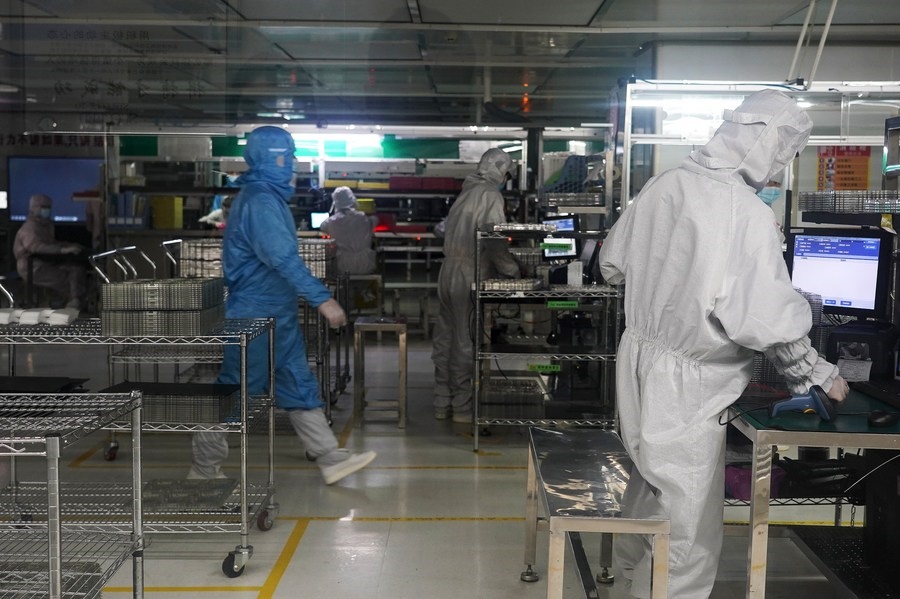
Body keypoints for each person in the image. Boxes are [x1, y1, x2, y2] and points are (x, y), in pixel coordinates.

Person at [597, 89, 849, 598]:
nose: (780, 166)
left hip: (640, 358)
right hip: (690, 380)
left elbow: (612, 264)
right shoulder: (743, 213)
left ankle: (625, 585)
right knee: (686, 524)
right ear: (767, 144)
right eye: (784, 152)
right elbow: (766, 316)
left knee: (649, 488)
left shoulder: (665, 184)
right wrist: (815, 373)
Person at [190, 126, 376, 484]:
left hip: (279, 311)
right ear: (268, 159)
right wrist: (322, 300)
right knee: (239, 388)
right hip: (253, 313)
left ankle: (329, 457)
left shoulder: (268, 198)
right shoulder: (260, 201)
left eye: (291, 157)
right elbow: (282, 258)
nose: (290, 164)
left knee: (297, 380)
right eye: (284, 157)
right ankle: (203, 468)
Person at [431, 148, 520, 423]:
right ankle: (462, 408)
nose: (506, 180)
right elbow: (494, 240)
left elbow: (443, 229)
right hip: (469, 272)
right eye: (507, 174)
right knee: (464, 340)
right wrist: (513, 270)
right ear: (500, 170)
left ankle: (441, 400)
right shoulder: (490, 194)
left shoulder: (466, 191)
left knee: (445, 337)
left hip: (447, 271)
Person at [13, 193, 87, 310]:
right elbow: (36, 247)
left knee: (76, 269)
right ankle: (73, 302)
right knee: (64, 279)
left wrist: (68, 245)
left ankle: (74, 301)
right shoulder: (29, 228)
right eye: (43, 207)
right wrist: (62, 250)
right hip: (32, 267)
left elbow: (50, 243)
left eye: (48, 207)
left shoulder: (46, 225)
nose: (47, 210)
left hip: (46, 262)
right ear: (34, 208)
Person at [320, 186, 377, 275]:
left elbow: (322, 227)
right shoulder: (364, 218)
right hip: (365, 265)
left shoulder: (330, 222)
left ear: (335, 202)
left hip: (341, 266)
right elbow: (375, 220)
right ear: (352, 199)